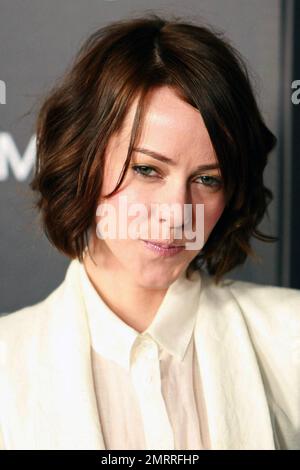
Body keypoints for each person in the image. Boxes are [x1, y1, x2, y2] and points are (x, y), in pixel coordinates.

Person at [0, 13, 299, 450]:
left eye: (207, 179)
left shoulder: (291, 336)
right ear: (83, 159)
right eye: (147, 169)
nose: (176, 214)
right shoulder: (9, 363)